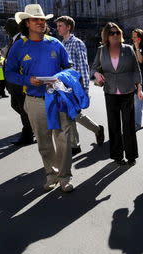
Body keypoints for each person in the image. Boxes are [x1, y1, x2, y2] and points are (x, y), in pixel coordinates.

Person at [5, 4, 75, 192]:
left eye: (43, 20)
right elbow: (9, 73)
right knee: (44, 142)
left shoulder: (55, 43)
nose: (41, 23)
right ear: (27, 23)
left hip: (58, 98)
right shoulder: (19, 46)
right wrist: (27, 80)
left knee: (63, 139)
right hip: (34, 101)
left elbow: (68, 66)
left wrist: (62, 77)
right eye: (36, 19)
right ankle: (51, 175)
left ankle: (64, 177)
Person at [91, 22, 143, 166]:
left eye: (117, 33)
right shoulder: (101, 50)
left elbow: (135, 69)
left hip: (127, 91)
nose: (115, 35)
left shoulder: (128, 49)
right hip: (110, 92)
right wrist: (96, 73)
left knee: (128, 125)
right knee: (113, 125)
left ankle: (131, 155)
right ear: (106, 36)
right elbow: (93, 67)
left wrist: (139, 88)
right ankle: (117, 155)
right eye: (112, 33)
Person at [55, 16, 105, 155]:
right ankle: (75, 144)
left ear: (68, 27)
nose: (57, 28)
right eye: (57, 26)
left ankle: (96, 130)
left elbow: (83, 65)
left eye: (60, 25)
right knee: (69, 114)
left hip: (75, 85)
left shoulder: (77, 43)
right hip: (63, 86)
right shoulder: (60, 44)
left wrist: (84, 89)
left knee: (74, 114)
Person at [4, 18, 34, 145]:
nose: (5, 29)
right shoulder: (13, 40)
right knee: (16, 106)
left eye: (7, 26)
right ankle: (32, 126)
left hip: (20, 82)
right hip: (13, 82)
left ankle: (28, 134)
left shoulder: (22, 40)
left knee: (23, 108)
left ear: (14, 27)